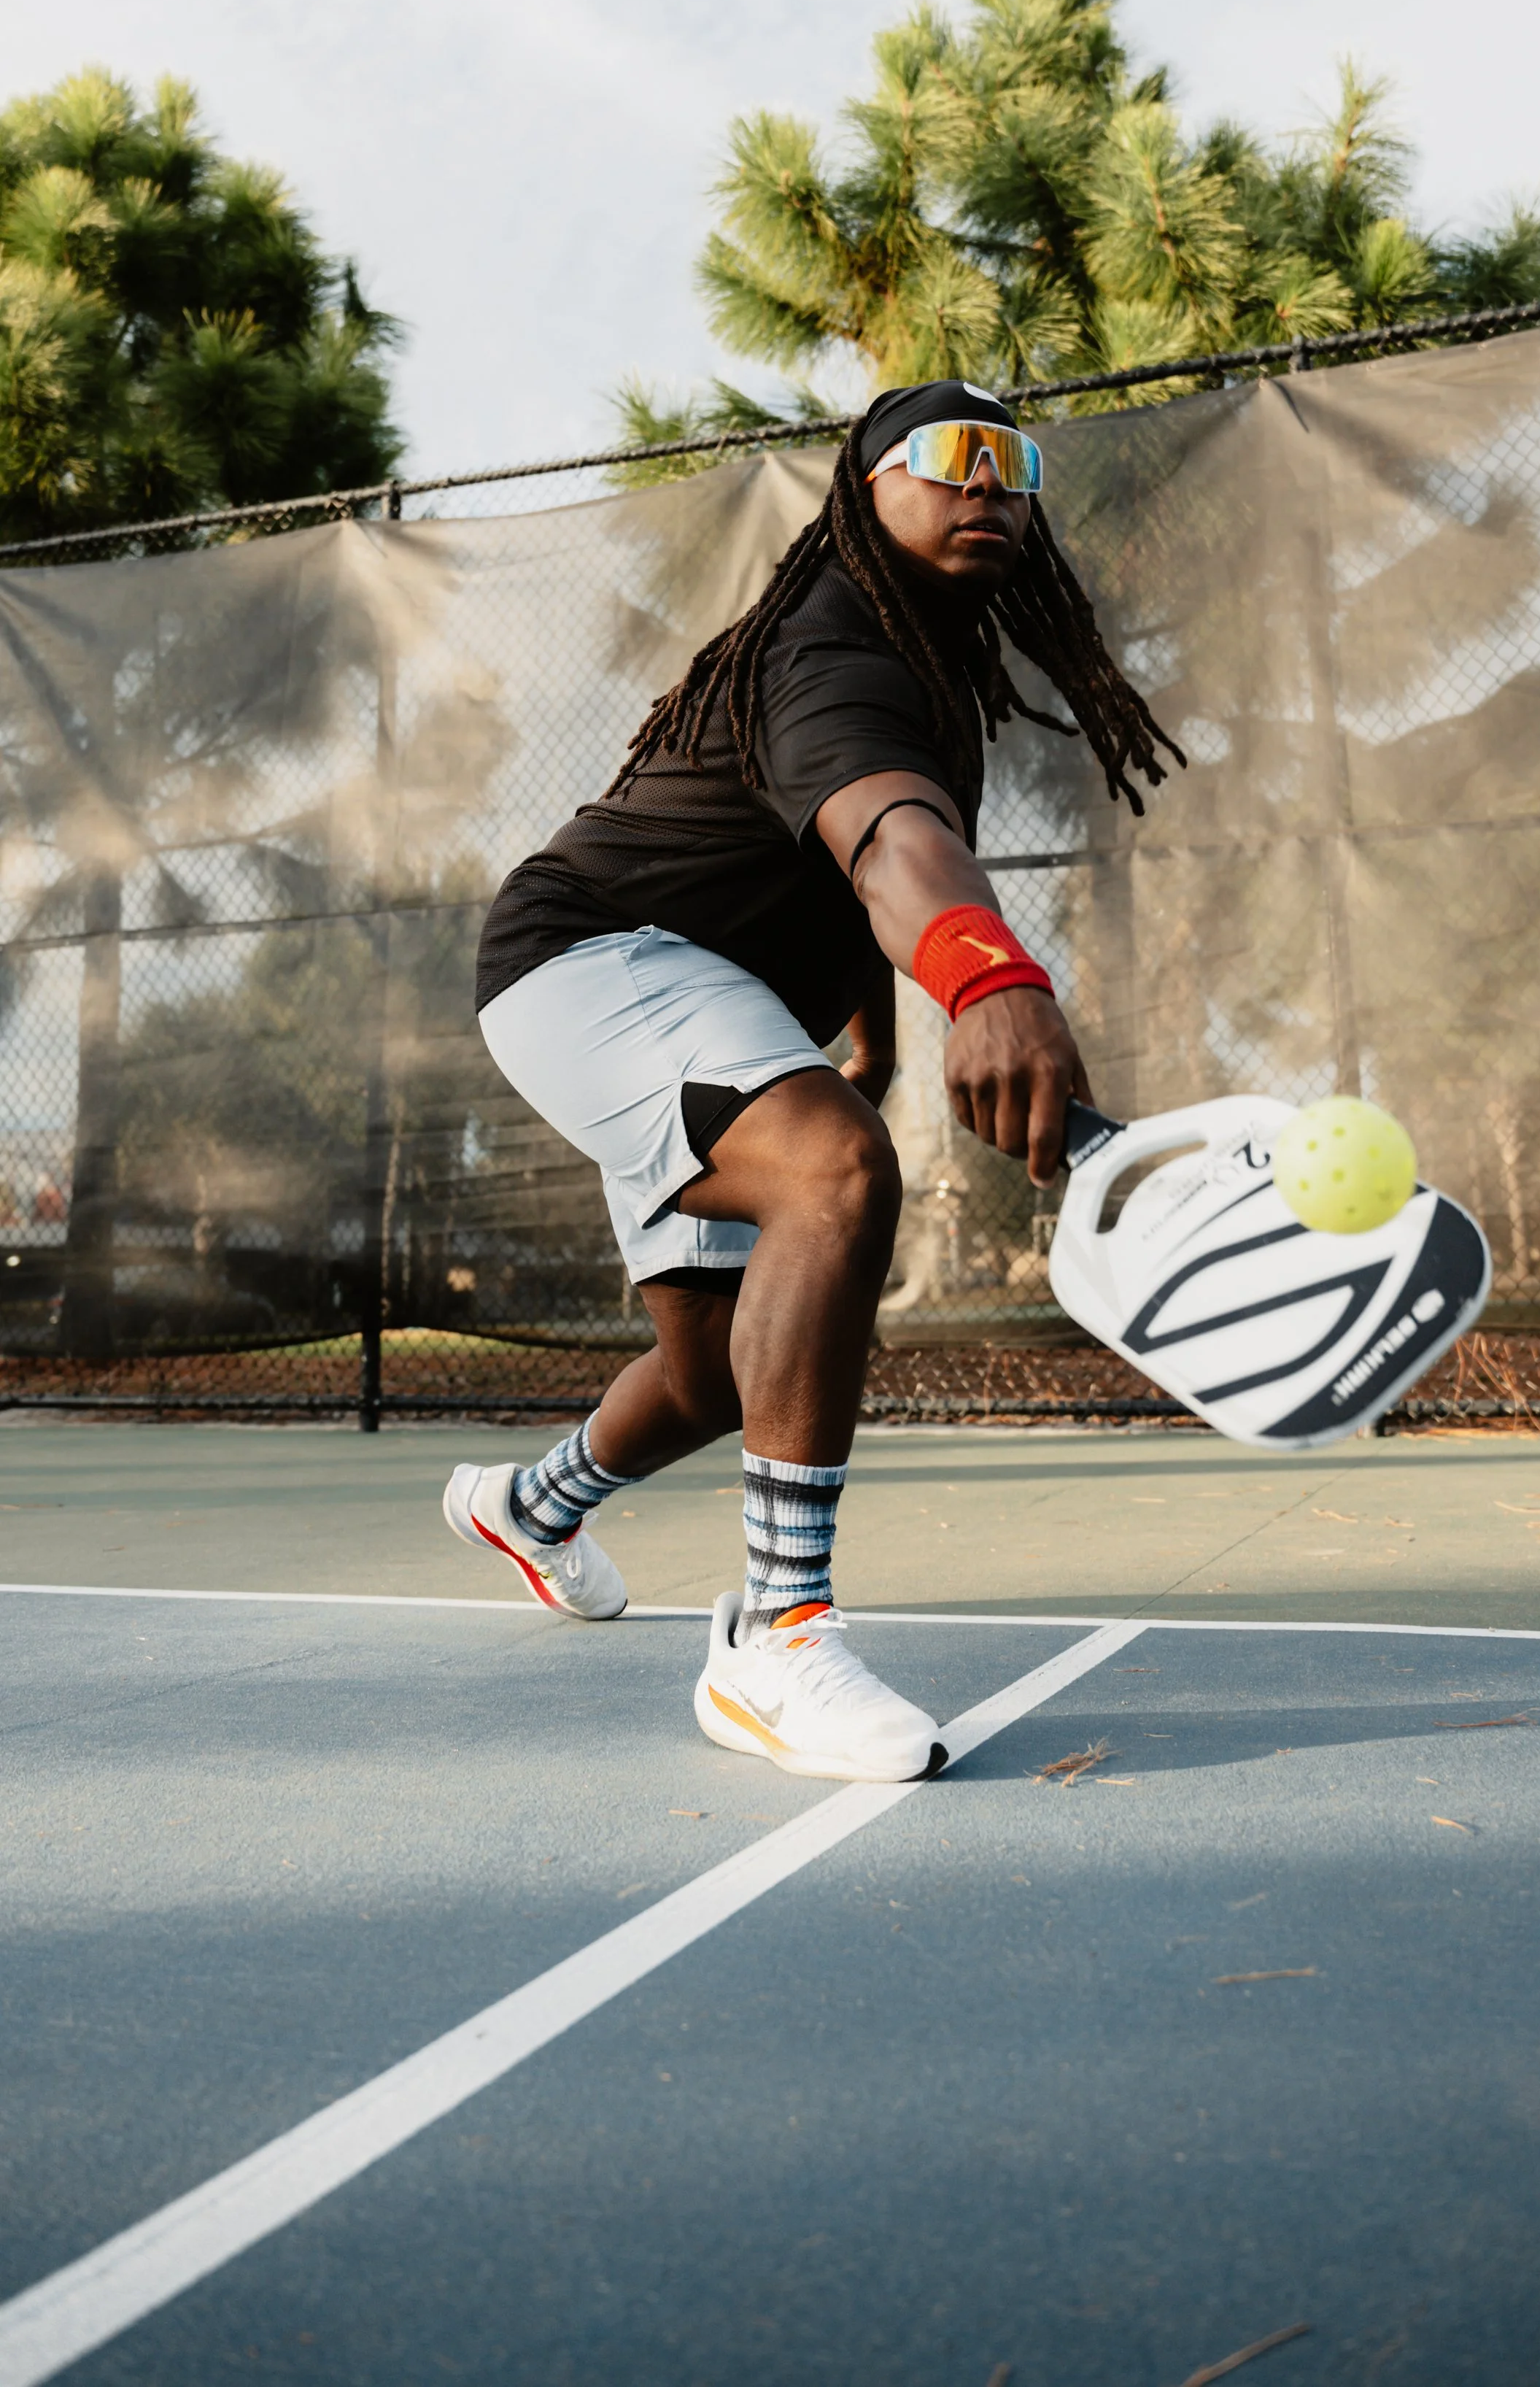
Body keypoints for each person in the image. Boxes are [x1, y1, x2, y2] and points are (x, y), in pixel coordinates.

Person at [446, 379, 1180, 1782]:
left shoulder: (929, 671)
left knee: (715, 1374)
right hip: (593, 962)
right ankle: (777, 1640)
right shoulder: (833, 644)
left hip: (707, 1000)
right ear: (862, 483)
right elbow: (895, 840)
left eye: (1016, 465)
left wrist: (882, 1037)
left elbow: (843, 881)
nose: (991, 487)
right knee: (837, 1170)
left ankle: (532, 1508)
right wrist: (987, 976)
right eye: (954, 457)